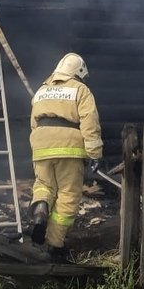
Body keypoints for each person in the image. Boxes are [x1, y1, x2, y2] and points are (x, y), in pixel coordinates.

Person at [28, 53, 103, 259]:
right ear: (78, 72)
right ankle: (55, 244)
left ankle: (41, 209)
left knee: (44, 185)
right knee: (68, 195)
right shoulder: (81, 90)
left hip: (40, 145)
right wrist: (94, 153)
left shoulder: (42, 90)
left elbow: (33, 123)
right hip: (68, 147)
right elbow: (89, 122)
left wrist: (39, 144)